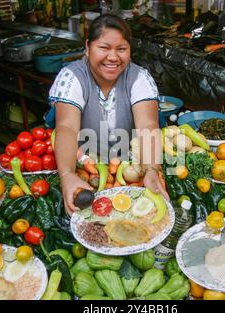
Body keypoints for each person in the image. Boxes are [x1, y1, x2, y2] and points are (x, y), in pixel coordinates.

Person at [49, 14, 168, 215]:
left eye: (121, 49)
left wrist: (151, 170)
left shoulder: (139, 78)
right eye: (104, 48)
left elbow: (148, 125)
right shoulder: (72, 77)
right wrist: (67, 175)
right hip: (85, 170)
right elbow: (66, 127)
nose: (113, 57)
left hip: (131, 170)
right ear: (87, 47)